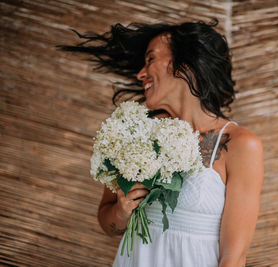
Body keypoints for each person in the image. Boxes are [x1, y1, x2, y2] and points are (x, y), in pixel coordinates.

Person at [60, 20, 263, 267]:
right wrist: (122, 211)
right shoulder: (136, 131)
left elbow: (234, 257)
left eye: (150, 60)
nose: (140, 74)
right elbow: (108, 224)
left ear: (185, 64)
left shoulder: (241, 145)